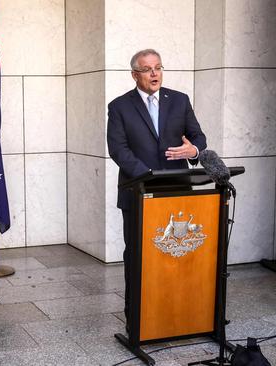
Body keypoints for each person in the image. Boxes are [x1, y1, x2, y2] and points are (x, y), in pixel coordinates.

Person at [106, 49, 207, 326]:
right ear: (135, 75)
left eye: (158, 68)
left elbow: (198, 136)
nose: (154, 74)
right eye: (148, 69)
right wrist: (149, 176)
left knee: (178, 253)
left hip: (178, 192)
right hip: (137, 192)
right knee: (139, 256)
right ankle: (137, 318)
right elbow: (118, 150)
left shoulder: (179, 100)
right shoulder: (119, 107)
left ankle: (176, 313)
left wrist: (193, 149)